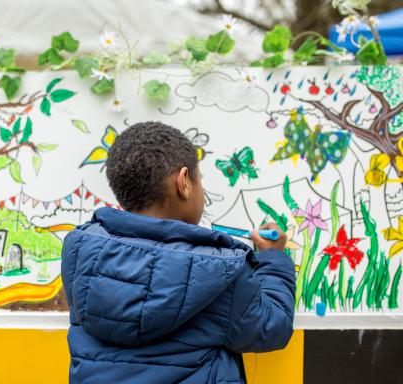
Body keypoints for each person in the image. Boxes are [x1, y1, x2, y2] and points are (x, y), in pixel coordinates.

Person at [61, 121, 295, 383]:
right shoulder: (219, 272)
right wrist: (274, 257)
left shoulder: (82, 254)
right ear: (184, 182)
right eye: (200, 178)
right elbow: (273, 326)